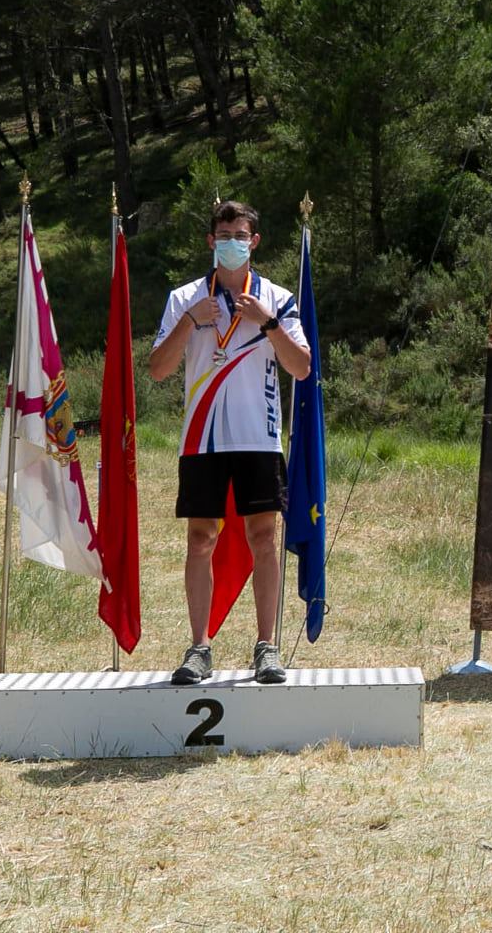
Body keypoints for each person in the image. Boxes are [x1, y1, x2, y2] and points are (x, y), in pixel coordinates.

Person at [148, 200, 312, 685]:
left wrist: (267, 322)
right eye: (223, 234)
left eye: (240, 235)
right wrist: (189, 322)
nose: (231, 243)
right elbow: (158, 370)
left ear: (254, 241)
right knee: (201, 540)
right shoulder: (184, 298)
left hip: (258, 439)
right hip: (202, 440)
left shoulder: (276, 298)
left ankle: (267, 647)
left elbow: (301, 367)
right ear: (210, 240)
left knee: (264, 539)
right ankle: (199, 648)